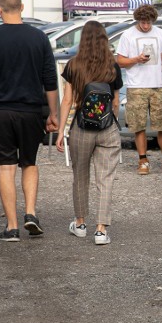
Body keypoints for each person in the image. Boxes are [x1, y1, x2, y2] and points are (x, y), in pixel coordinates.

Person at [0, 0, 59, 242]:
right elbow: (50, 80)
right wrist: (53, 112)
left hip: (0, 111)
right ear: (22, 7)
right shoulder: (39, 38)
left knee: (6, 167)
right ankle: (31, 213)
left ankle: (11, 226)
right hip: (31, 111)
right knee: (29, 163)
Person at [56, 21, 122, 245]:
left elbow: (67, 101)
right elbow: (115, 101)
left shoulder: (74, 65)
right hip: (107, 128)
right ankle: (101, 230)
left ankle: (81, 223)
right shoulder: (112, 66)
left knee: (80, 176)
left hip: (81, 128)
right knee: (106, 179)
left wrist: (60, 131)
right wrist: (109, 120)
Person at [115, 4, 162, 175]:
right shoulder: (128, 35)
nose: (146, 26)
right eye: (143, 22)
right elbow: (120, 61)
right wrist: (136, 59)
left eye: (149, 22)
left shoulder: (160, 33)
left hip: (158, 85)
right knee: (139, 125)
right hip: (136, 86)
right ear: (137, 20)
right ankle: (143, 160)